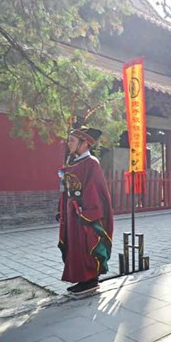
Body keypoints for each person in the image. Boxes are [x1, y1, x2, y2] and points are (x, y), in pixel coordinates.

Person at [57, 127, 113, 296]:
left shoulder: (91, 163)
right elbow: (65, 190)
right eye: (69, 140)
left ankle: (91, 280)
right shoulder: (73, 163)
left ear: (84, 143)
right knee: (75, 245)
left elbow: (94, 190)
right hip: (72, 213)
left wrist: (87, 212)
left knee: (87, 244)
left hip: (85, 214)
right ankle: (81, 279)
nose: (69, 144)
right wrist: (61, 210)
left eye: (72, 141)